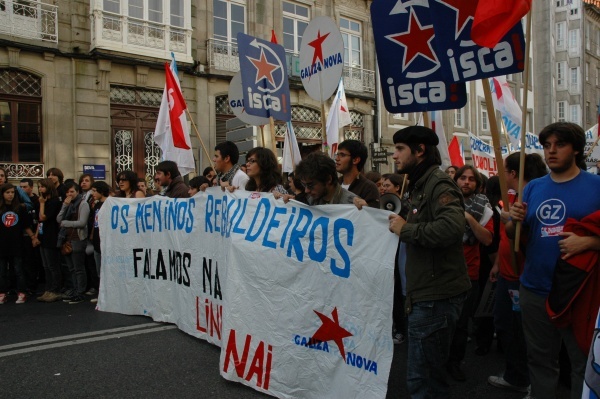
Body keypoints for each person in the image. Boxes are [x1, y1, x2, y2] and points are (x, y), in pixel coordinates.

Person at [507, 122, 600, 399]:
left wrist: (590, 242)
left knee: (582, 363)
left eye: (559, 145)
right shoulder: (533, 187)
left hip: (580, 292)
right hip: (535, 289)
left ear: (576, 150)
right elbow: (515, 234)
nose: (551, 151)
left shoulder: (596, 186)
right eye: (547, 146)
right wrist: (515, 223)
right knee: (540, 361)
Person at [388, 125, 470, 398]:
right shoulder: (419, 183)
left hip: (436, 296)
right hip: (425, 291)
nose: (394, 155)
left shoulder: (438, 183)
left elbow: (451, 228)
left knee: (424, 380)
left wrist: (406, 229)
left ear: (420, 150)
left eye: (400, 149)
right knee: (424, 374)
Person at [487, 152, 548, 394]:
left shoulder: (531, 197)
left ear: (513, 173)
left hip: (521, 275)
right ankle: (518, 374)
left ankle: (526, 379)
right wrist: (498, 264)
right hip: (507, 272)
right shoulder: (511, 196)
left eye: (504, 169)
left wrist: (513, 220)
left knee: (521, 331)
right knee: (506, 324)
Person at [447, 165, 494, 381]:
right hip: (442, 272)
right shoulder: (443, 202)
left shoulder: (484, 208)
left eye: (471, 179)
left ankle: (454, 363)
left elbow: (486, 239)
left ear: (477, 184)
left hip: (468, 274)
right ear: (455, 181)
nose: (466, 182)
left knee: (461, 324)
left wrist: (468, 218)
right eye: (462, 178)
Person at [0, 183, 40, 304]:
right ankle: (2, 293)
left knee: (18, 269)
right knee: (1, 271)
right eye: (7, 192)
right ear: (2, 194)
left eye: (12, 192)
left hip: (17, 243)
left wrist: (33, 237)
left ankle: (21, 292)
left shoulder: (20, 208)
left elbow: (26, 226)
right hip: (2, 244)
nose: (10, 195)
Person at [57, 181, 90, 304]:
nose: (69, 194)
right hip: (67, 239)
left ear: (77, 192)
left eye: (72, 191)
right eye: (67, 192)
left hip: (78, 239)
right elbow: (59, 219)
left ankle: (80, 292)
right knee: (71, 268)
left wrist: (66, 223)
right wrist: (64, 206)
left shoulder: (83, 204)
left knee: (78, 268)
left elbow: (82, 223)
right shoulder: (68, 204)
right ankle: (74, 290)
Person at [36, 178, 63, 303]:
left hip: (51, 236)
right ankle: (48, 289)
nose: (40, 189)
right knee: (45, 265)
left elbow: (43, 217)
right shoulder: (44, 200)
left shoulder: (54, 201)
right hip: (43, 235)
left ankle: (55, 290)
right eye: (39, 187)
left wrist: (42, 204)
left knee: (53, 265)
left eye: (42, 187)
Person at [335, 140, 380, 208]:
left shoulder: (369, 188)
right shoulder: (335, 184)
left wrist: (366, 207)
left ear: (355, 160)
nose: (337, 159)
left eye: (342, 155)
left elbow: (373, 215)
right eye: (337, 155)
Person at [89, 181, 110, 304]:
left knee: (106, 270)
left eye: (95, 191)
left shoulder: (109, 203)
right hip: (97, 240)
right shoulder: (96, 205)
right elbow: (95, 222)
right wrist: (92, 233)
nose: (93, 193)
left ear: (102, 191)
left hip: (105, 242)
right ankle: (101, 294)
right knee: (99, 271)